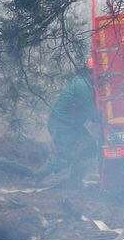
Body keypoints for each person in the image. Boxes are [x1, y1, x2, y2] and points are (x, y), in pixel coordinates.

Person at [36, 59, 99, 187]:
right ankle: (33, 175)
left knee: (89, 148)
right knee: (64, 158)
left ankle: (74, 182)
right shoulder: (83, 86)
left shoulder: (86, 84)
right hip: (61, 124)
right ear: (92, 72)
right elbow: (91, 111)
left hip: (72, 125)